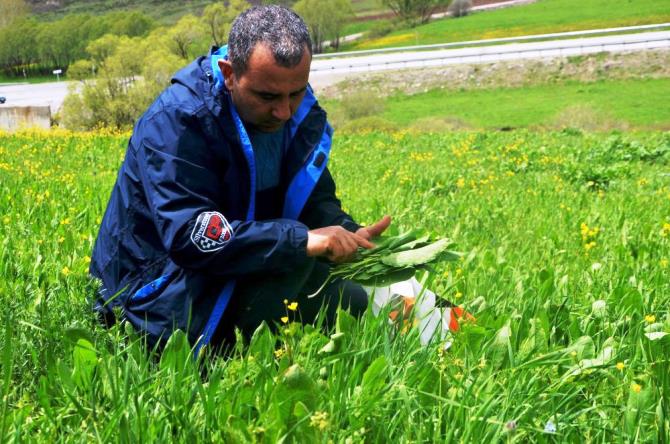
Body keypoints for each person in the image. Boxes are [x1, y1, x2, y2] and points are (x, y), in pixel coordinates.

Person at [90, 5, 391, 355]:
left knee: (354, 301)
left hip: (244, 260)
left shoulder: (298, 113)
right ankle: (231, 363)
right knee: (297, 271)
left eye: (296, 91)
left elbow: (314, 201)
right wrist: (301, 242)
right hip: (154, 291)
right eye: (268, 97)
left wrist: (344, 230)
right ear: (229, 73)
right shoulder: (178, 121)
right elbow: (191, 235)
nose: (285, 111)